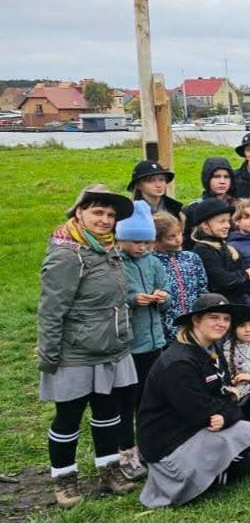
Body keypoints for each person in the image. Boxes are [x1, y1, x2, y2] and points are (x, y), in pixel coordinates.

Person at [37, 185, 140, 507]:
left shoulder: (107, 249)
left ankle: (108, 470)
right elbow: (52, 308)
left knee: (108, 413)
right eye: (98, 212)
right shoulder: (67, 254)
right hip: (76, 352)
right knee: (68, 418)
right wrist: (50, 354)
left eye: (111, 215)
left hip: (111, 347)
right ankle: (64, 478)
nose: (105, 220)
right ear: (79, 213)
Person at [136, 293, 250, 508]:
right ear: (196, 320)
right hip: (168, 441)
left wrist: (225, 408)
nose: (221, 324)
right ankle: (176, 475)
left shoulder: (211, 350)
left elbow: (220, 397)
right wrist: (230, 404)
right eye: (214, 317)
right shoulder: (179, 362)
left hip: (195, 426)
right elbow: (200, 412)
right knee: (244, 430)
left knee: (246, 466)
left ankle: (211, 470)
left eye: (226, 319)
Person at [116, 203, 170, 481]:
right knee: (127, 400)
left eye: (146, 242)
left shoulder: (153, 262)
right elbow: (114, 297)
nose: (142, 247)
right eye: (136, 242)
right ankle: (126, 451)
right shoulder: (116, 263)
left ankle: (151, 446)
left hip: (154, 342)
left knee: (150, 400)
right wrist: (132, 300)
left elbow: (167, 290)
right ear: (121, 239)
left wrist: (162, 297)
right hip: (129, 345)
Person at [188, 198, 250, 306]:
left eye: (228, 221)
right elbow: (222, 280)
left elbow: (246, 281)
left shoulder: (228, 247)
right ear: (205, 224)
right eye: (221, 221)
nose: (227, 226)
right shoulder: (203, 249)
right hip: (216, 306)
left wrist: (243, 278)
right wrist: (245, 276)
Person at [152, 212, 208, 342]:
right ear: (155, 240)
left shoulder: (191, 257)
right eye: (171, 237)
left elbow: (202, 288)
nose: (178, 239)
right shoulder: (152, 262)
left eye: (180, 234)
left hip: (194, 324)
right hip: (166, 328)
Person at [182, 157, 236, 243]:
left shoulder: (237, 206)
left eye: (226, 177)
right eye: (216, 177)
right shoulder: (192, 209)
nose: (222, 181)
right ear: (207, 179)